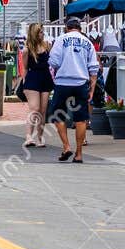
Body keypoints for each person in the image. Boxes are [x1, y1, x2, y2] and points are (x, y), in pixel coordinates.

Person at [48, 16, 99, 163]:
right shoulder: (88, 42)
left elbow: (54, 61)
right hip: (81, 83)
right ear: (80, 28)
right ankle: (79, 153)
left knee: (58, 116)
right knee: (81, 119)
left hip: (63, 82)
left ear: (66, 27)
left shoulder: (60, 39)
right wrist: (92, 88)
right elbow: (94, 68)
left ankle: (66, 146)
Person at [20, 22, 54, 149]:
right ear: (34, 33)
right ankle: (28, 136)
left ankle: (39, 137)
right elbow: (25, 68)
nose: (42, 34)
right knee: (34, 108)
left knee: (43, 110)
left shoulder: (47, 46)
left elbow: (52, 61)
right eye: (40, 32)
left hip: (45, 77)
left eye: (42, 32)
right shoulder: (27, 50)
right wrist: (24, 82)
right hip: (32, 78)